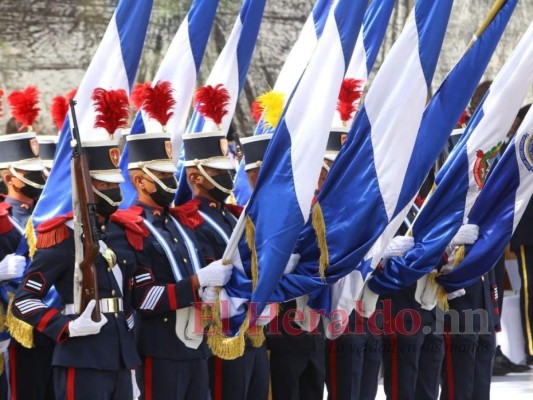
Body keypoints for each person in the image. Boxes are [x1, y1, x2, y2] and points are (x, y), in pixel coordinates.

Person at [12, 138, 145, 399]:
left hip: (121, 354)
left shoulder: (122, 233)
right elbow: (24, 301)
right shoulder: (64, 238)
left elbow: (132, 291)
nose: (115, 191)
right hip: (81, 354)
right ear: (87, 186)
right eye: (105, 184)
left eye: (115, 184)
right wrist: (67, 326)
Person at [126, 132, 232, 400]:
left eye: (171, 174)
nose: (171, 182)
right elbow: (145, 299)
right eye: (162, 177)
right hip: (160, 347)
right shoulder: (131, 226)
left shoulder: (178, 222)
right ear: (139, 181)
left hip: (197, 344)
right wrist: (197, 283)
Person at [182, 131, 257, 400]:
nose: (228, 176)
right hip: (219, 323)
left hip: (251, 322)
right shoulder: (186, 218)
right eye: (219, 170)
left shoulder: (234, 215)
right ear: (196, 177)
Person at [0, 132, 56, 399]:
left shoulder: (44, 216)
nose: (39, 178)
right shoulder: (3, 220)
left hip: (53, 322)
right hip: (20, 327)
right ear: (9, 177)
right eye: (29, 172)